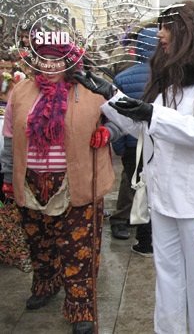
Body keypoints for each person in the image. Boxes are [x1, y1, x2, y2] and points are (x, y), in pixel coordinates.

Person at [76, 1, 194, 334]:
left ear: (189, 32)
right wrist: (110, 97)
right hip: (165, 196)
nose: (160, 34)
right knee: (168, 276)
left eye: (167, 27)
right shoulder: (170, 81)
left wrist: (151, 113)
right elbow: (145, 129)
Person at [0, 43, 118, 334]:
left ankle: (82, 310)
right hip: (30, 183)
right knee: (39, 243)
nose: (50, 67)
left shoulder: (91, 88)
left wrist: (109, 132)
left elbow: (124, 121)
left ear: (71, 61)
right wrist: (6, 177)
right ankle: (45, 284)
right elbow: (9, 137)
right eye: (44, 60)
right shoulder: (21, 90)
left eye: (57, 60)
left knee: (79, 250)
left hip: (76, 182)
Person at [108, 27, 158, 256]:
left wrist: (119, 148)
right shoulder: (171, 75)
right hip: (160, 143)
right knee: (155, 191)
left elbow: (113, 116)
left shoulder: (123, 78)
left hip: (130, 145)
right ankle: (153, 239)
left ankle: (141, 236)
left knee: (136, 188)